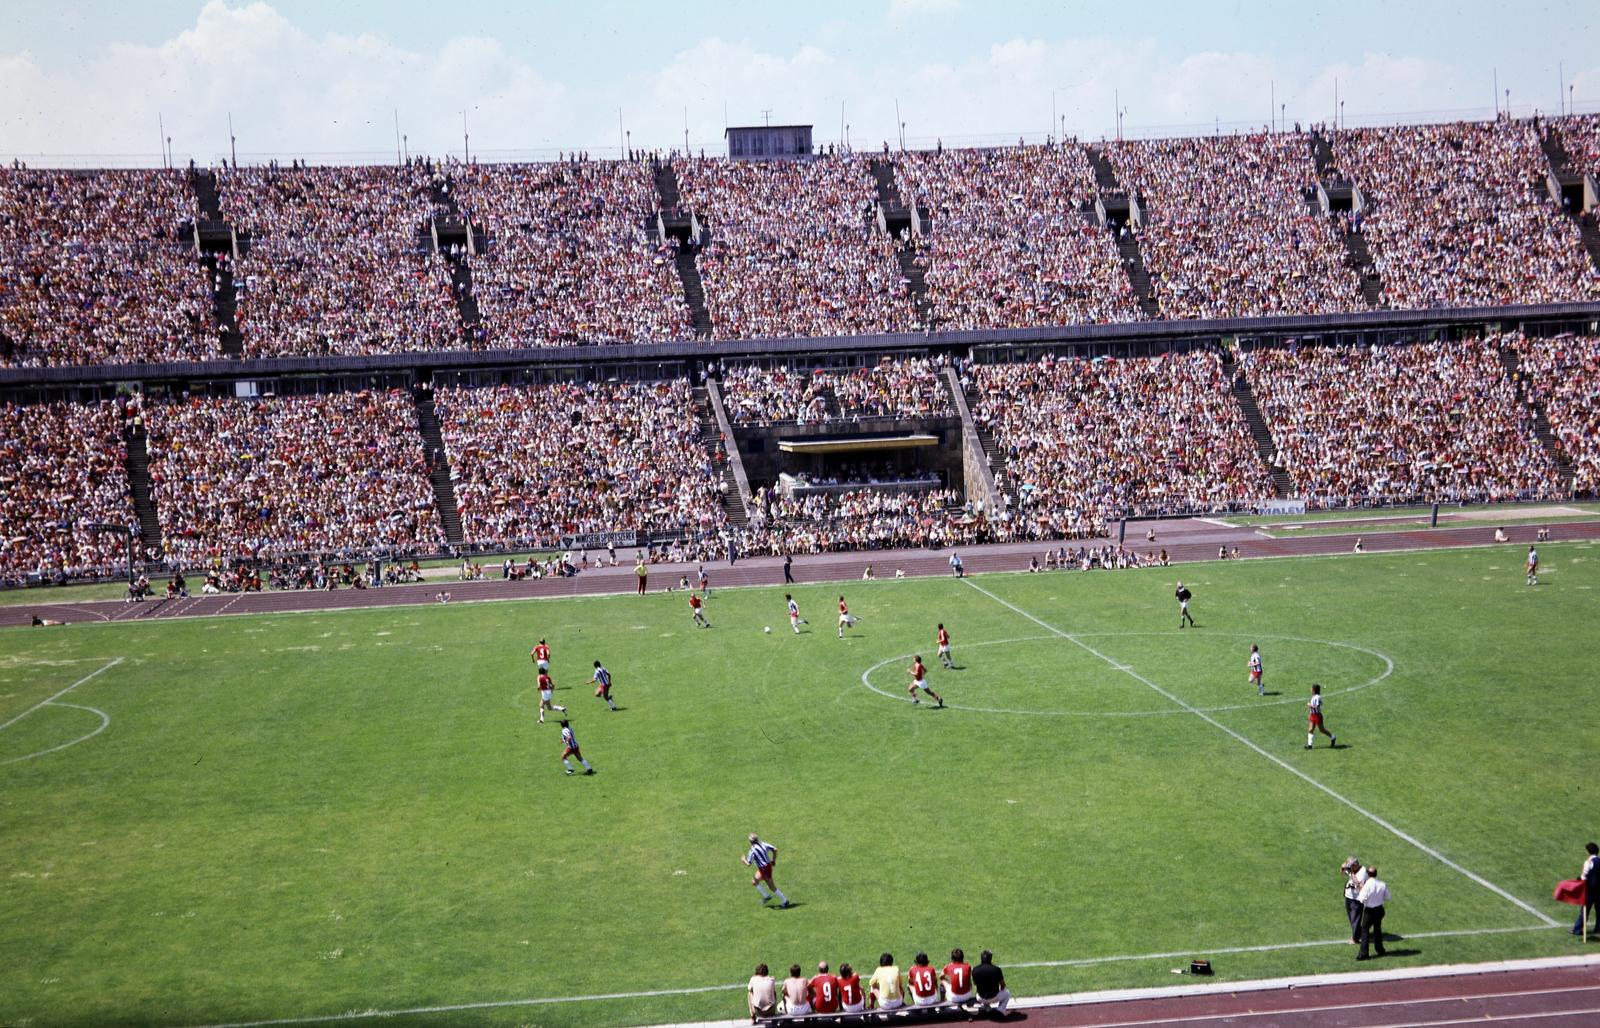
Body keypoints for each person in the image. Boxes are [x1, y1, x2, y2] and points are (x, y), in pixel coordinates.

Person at [743, 833, 790, 907]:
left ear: (750, 842)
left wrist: (743, 860)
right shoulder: (763, 843)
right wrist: (773, 860)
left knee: (772, 887)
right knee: (754, 882)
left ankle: (785, 901)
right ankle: (766, 896)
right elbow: (775, 849)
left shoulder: (752, 850)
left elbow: (749, 863)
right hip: (766, 867)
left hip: (764, 869)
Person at [1355, 865, 1390, 959]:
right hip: (1379, 910)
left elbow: (1361, 899)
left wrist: (1360, 889)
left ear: (1368, 874)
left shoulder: (1367, 885)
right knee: (1377, 929)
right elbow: (1388, 897)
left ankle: (1364, 953)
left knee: (1365, 931)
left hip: (1369, 911)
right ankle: (1380, 950)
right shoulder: (1382, 884)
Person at [972, 950, 1010, 1014]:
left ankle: (987, 1007)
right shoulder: (996, 969)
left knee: (981, 990)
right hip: (994, 997)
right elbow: (1003, 985)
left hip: (980, 998)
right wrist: (1000, 990)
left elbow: (975, 984)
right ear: (991, 958)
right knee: (1007, 993)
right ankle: (1000, 1010)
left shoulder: (975, 970)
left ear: (981, 958)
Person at [1573, 842, 1599, 937]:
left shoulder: (1588, 862)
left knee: (1584, 910)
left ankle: (1577, 929)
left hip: (1589, 890)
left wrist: (1578, 879)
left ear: (1588, 852)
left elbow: (1584, 877)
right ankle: (1598, 929)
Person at [1342, 856, 1368, 944]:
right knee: (1351, 918)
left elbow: (1357, 884)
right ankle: (1359, 933)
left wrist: (1351, 873)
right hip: (1348, 896)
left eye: (1351, 866)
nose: (1350, 868)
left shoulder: (1363, 872)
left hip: (1357, 899)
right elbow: (1342, 872)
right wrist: (1343, 868)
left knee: (1355, 919)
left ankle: (1355, 939)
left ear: (1355, 865)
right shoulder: (1352, 869)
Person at [1306, 683, 1336, 749]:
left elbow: (1317, 707)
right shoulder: (1314, 696)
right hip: (1312, 715)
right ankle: (1309, 745)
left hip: (1317, 715)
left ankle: (1333, 737)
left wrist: (1310, 705)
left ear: (1314, 690)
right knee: (1310, 729)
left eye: (1311, 688)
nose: (1310, 689)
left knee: (1322, 730)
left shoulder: (1317, 697)